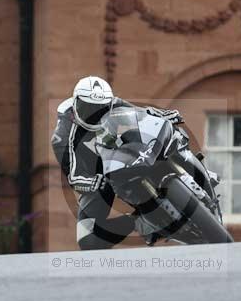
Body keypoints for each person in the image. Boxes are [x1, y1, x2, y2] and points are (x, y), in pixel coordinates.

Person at [51, 76, 183, 250]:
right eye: (88, 109)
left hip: (122, 155)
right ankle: (139, 221)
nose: (96, 115)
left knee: (162, 134)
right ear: (76, 104)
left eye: (102, 109)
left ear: (109, 103)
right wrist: (93, 183)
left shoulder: (114, 103)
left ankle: (191, 170)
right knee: (87, 240)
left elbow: (141, 114)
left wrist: (162, 115)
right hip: (97, 178)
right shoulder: (61, 136)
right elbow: (74, 177)